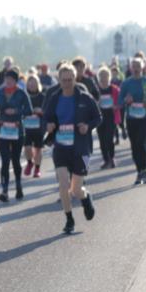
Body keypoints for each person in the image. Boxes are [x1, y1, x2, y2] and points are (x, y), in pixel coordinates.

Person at [43, 65, 101, 234]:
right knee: (63, 184)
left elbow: (98, 117)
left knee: (75, 189)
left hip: (81, 147)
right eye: (64, 80)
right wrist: (48, 125)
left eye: (70, 80)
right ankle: (69, 219)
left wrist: (87, 126)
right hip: (61, 147)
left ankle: (85, 197)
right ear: (59, 80)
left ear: (75, 79)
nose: (67, 83)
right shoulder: (54, 98)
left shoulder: (84, 98)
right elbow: (45, 118)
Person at [118, 58, 146, 185]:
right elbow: (120, 101)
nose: (136, 69)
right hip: (131, 118)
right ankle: (139, 172)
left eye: (138, 66)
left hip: (145, 117)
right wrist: (126, 100)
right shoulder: (126, 83)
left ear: (142, 68)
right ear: (131, 68)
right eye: (134, 66)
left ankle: (144, 171)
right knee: (134, 146)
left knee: (141, 142)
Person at [0, 67, 33, 201]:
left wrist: (18, 113)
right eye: (6, 79)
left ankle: (18, 186)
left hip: (17, 131)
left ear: (16, 81)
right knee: (5, 161)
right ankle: (4, 191)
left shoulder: (21, 93)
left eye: (11, 80)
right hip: (3, 130)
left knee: (15, 160)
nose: (8, 82)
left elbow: (29, 110)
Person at [95, 66, 120, 169]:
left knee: (109, 139)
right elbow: (92, 103)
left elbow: (120, 102)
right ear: (99, 78)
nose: (104, 78)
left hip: (111, 116)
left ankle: (112, 158)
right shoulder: (96, 90)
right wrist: (97, 103)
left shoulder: (114, 89)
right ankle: (106, 160)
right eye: (101, 76)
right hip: (100, 117)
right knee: (101, 140)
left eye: (105, 76)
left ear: (109, 77)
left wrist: (116, 106)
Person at [22, 73, 46, 178]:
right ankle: (29, 162)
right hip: (26, 127)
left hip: (39, 127)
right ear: (27, 85)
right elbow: (19, 109)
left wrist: (40, 111)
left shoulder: (42, 97)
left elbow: (47, 110)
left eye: (34, 83)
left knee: (38, 148)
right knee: (27, 147)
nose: (32, 85)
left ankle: (37, 168)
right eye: (30, 84)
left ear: (38, 84)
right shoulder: (23, 96)